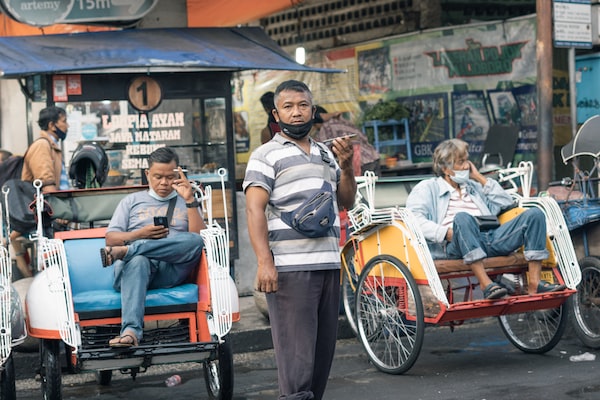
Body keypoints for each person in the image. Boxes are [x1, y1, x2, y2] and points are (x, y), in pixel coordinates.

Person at [244, 80, 356, 400]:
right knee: (297, 358)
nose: (296, 113)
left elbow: (344, 201)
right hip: (291, 270)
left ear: (312, 108)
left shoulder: (325, 154)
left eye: (302, 105)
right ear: (276, 114)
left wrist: (346, 168)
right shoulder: (265, 155)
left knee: (322, 354)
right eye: (288, 107)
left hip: (328, 263)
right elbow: (254, 209)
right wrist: (265, 263)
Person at [405, 139, 565, 299]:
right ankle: (485, 283)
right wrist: (446, 233)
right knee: (463, 218)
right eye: (461, 162)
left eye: (467, 161)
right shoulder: (427, 188)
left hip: (490, 238)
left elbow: (506, 202)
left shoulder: (473, 187)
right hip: (456, 243)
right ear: (446, 168)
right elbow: (414, 219)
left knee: (535, 215)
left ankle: (535, 283)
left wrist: (478, 177)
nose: (466, 166)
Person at [99, 147, 206, 347]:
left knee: (195, 241)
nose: (164, 183)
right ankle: (130, 332)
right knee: (139, 260)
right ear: (147, 174)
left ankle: (132, 249)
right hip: (134, 272)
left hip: (170, 271)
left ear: (178, 174)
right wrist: (138, 235)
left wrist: (190, 200)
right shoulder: (131, 201)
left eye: (169, 177)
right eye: (158, 177)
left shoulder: (186, 201)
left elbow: (198, 241)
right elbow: (111, 240)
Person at [11, 106, 70, 278]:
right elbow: (45, 181)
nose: (67, 126)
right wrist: (57, 211)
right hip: (48, 215)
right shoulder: (42, 145)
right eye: (64, 121)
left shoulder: (52, 146)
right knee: (53, 262)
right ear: (52, 125)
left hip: (53, 213)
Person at [311, 105, 381, 175]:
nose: (314, 127)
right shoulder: (343, 122)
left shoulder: (326, 127)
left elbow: (324, 149)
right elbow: (364, 138)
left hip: (360, 162)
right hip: (372, 156)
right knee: (376, 185)